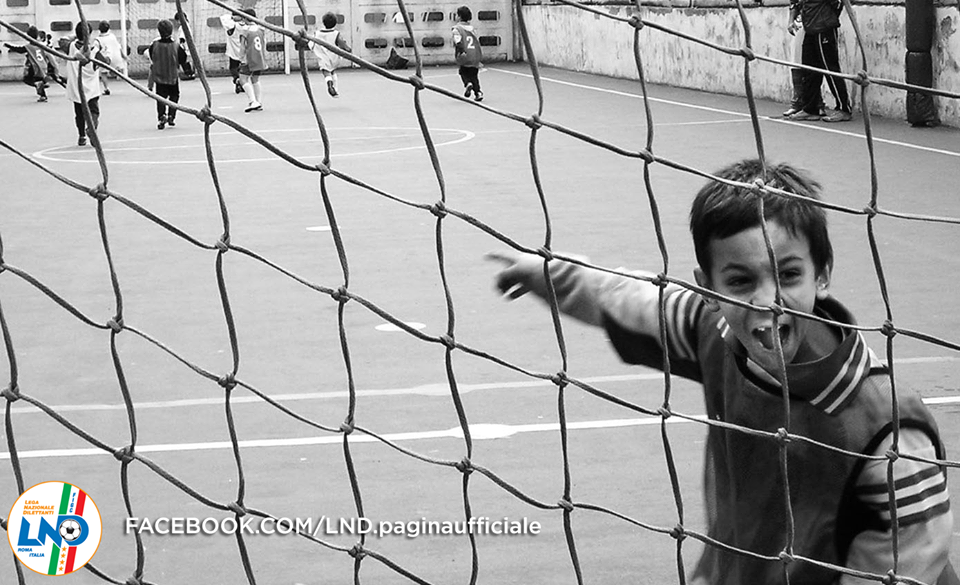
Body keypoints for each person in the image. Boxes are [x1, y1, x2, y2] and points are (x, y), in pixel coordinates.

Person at [487, 159, 956, 584]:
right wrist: (550, 274)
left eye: (789, 275)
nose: (767, 300)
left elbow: (914, 552)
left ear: (822, 274)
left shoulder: (887, 429)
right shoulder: (713, 333)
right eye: (740, 282)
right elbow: (630, 300)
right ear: (707, 289)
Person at [788, 0, 853, 122]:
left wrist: (828, 19)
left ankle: (844, 109)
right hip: (810, 29)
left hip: (824, 28)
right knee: (809, 70)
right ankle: (810, 109)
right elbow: (796, 3)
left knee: (830, 69)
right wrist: (791, 21)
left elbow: (838, 3)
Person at [65, 21, 108, 146]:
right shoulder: (94, 50)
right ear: (88, 35)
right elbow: (105, 62)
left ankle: (81, 136)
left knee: (79, 114)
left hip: (77, 89)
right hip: (92, 88)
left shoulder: (70, 46)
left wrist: (75, 37)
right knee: (94, 111)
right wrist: (108, 55)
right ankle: (92, 129)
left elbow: (62, 40)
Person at [782, 12, 824, 118]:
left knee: (811, 65)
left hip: (815, 23)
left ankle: (817, 103)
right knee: (796, 61)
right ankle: (798, 101)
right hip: (801, 22)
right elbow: (793, 4)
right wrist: (791, 21)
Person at [149, 19, 188, 130]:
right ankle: (171, 115)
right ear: (171, 31)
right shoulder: (176, 46)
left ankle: (162, 116)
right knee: (174, 95)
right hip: (172, 76)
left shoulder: (154, 45)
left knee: (160, 97)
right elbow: (183, 59)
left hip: (159, 76)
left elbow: (152, 56)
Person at [4, 26, 58, 102]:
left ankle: (41, 87)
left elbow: (20, 50)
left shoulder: (29, 47)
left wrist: (9, 46)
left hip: (34, 66)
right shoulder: (41, 45)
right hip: (42, 65)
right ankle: (42, 92)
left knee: (27, 79)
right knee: (38, 79)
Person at [308, 12, 351, 98]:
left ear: (323, 22)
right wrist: (348, 49)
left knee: (326, 72)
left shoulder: (317, 33)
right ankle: (335, 89)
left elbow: (310, 44)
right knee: (333, 71)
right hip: (334, 57)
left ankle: (330, 85)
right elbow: (342, 44)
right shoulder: (336, 33)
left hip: (323, 57)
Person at [237, 8, 266, 112]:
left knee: (242, 79)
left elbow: (243, 46)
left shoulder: (245, 30)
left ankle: (253, 101)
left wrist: (241, 58)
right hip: (259, 57)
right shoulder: (261, 29)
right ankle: (258, 101)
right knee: (255, 79)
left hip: (249, 58)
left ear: (245, 18)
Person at [452, 5, 483, 102]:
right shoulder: (472, 29)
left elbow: (458, 41)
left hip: (464, 54)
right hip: (475, 54)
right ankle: (478, 92)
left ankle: (468, 83)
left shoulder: (457, 29)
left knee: (463, 72)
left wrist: (461, 51)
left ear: (459, 16)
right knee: (474, 74)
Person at [96, 21, 127, 95]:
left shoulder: (98, 39)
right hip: (115, 57)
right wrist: (123, 56)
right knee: (115, 68)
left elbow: (96, 51)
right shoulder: (112, 36)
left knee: (103, 73)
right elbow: (118, 47)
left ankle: (106, 88)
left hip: (105, 58)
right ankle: (117, 71)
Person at [218, 11, 245, 94]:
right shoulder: (245, 25)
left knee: (234, 67)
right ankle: (242, 82)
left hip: (234, 52)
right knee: (243, 69)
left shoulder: (231, 25)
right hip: (243, 51)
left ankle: (237, 79)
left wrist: (232, 17)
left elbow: (223, 17)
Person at [171, 12, 197, 80]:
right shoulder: (185, 25)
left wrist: (178, 45)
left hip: (185, 46)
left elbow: (182, 38)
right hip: (186, 46)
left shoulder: (184, 26)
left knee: (184, 59)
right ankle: (189, 73)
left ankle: (189, 73)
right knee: (185, 60)